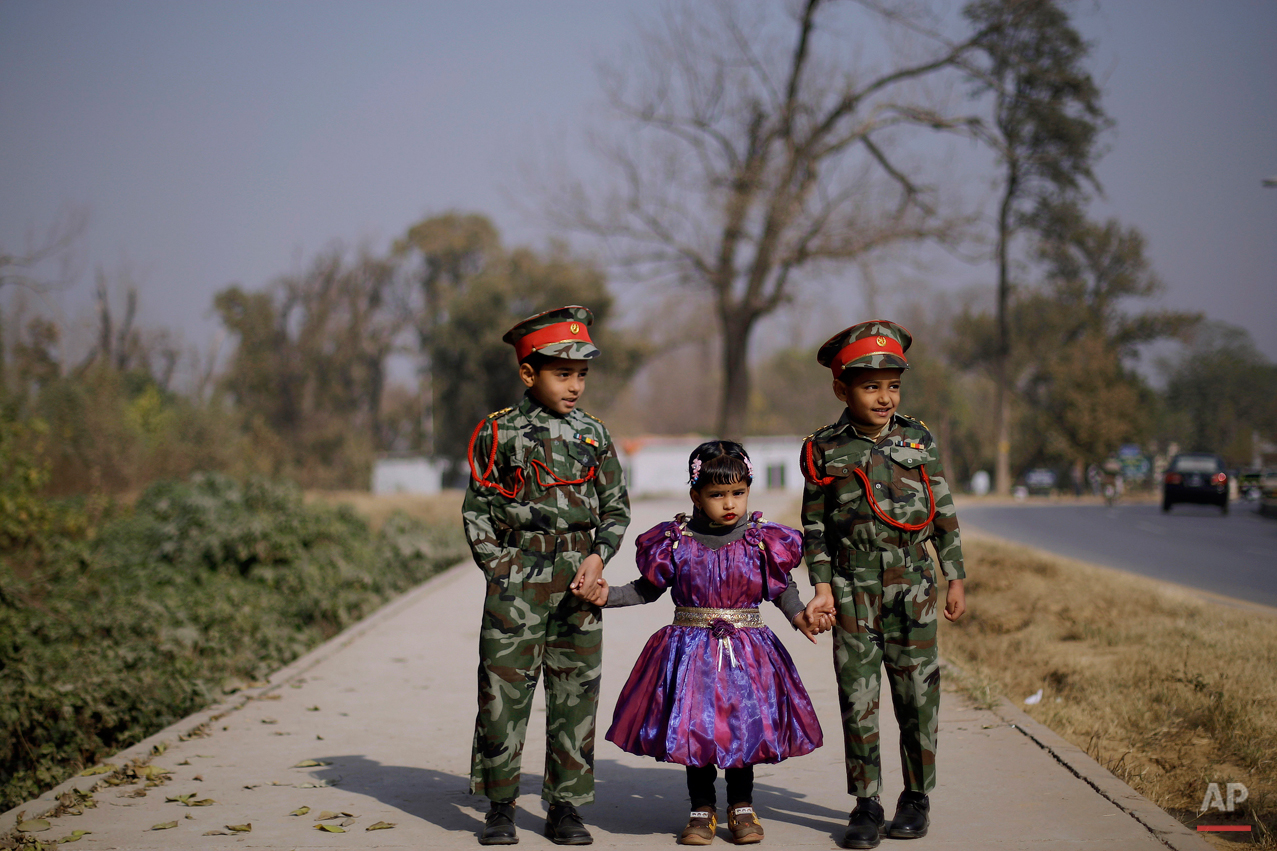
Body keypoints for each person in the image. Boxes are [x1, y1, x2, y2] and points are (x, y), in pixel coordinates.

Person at [600, 440, 829, 846]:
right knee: (697, 730)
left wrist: (800, 617)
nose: (729, 504)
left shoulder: (762, 541)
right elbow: (646, 589)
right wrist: (607, 596)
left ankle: (742, 806)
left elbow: (781, 589)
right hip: (690, 654)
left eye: (738, 493)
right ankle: (701, 809)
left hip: (748, 654)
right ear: (696, 496)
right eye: (717, 495)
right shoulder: (674, 542)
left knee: (742, 728)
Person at [463, 305, 631, 846]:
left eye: (582, 373)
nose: (576, 384)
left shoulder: (595, 434)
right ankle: (500, 806)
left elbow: (616, 508)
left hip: (579, 580)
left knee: (575, 693)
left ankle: (566, 807)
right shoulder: (499, 431)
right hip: (518, 578)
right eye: (563, 373)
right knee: (503, 692)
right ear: (529, 373)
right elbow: (478, 508)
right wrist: (499, 567)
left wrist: (599, 555)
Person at [798, 321, 966, 850]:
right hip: (852, 588)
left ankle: (916, 797)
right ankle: (866, 802)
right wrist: (822, 587)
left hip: (913, 584)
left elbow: (943, 512)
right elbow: (814, 528)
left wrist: (954, 575)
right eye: (871, 386)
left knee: (918, 696)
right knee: (858, 697)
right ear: (841, 389)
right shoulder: (823, 448)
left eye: (893, 385)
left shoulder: (918, 438)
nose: (885, 397)